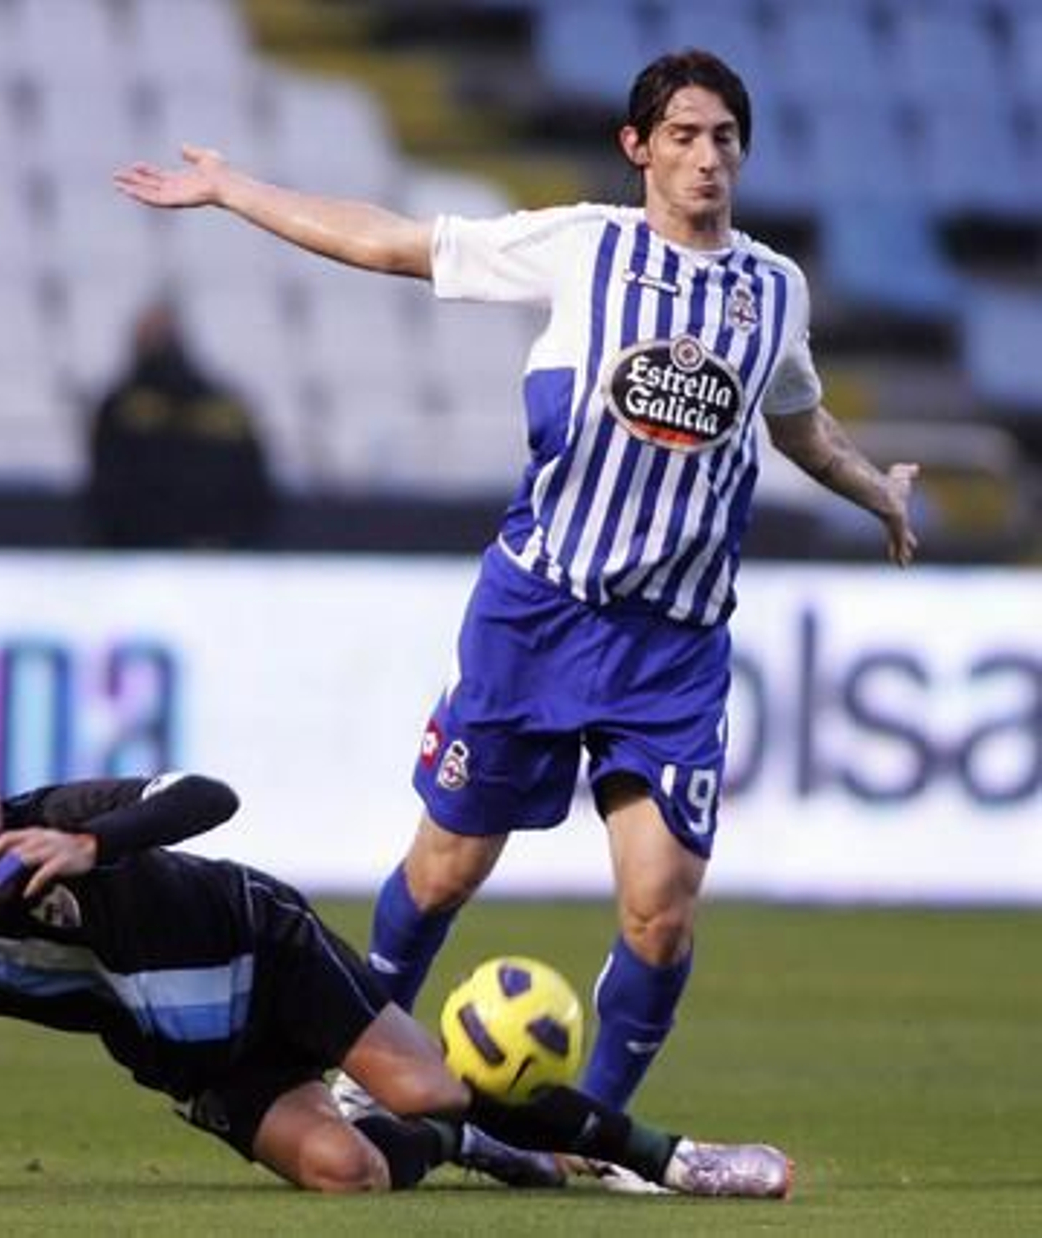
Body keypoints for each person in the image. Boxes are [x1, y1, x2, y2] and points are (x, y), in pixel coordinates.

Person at [112, 47, 918, 1120]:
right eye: (681, 135)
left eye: (722, 137)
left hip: (672, 646)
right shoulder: (582, 248)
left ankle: (587, 1133)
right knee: (443, 869)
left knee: (661, 914)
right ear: (637, 147)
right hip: (537, 613)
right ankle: (354, 1076)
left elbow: (795, 421)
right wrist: (233, 189)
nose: (705, 158)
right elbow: (393, 242)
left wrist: (878, 490)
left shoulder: (774, 289)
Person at [0, 727, 791, 1198]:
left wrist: (98, 842)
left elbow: (208, 793)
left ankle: (664, 1156)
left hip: (264, 945)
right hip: (199, 1056)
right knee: (353, 1170)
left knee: (430, 1078)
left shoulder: (59, 820)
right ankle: (474, 1146)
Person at [86, 297, 276, 549]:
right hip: (144, 552)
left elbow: (253, 485)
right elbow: (107, 486)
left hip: (214, 553)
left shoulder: (224, 407)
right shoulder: (119, 407)